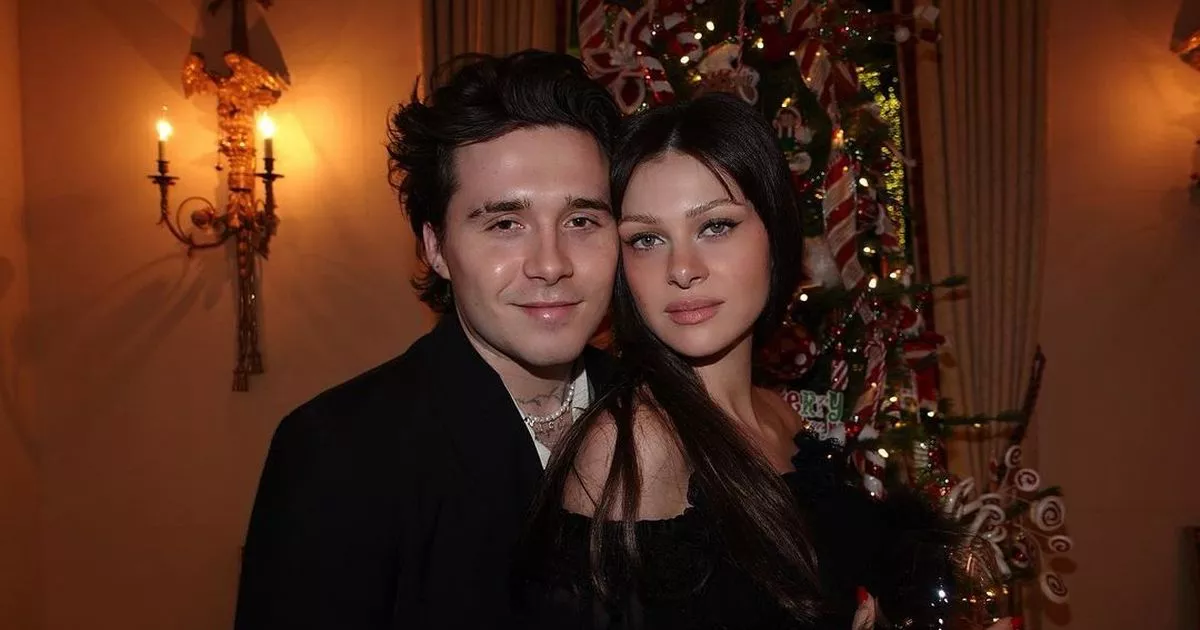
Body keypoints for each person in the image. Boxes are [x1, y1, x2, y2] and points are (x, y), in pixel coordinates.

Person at [518, 93, 990, 629]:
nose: (682, 269)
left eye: (715, 227)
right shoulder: (633, 446)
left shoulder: (779, 415)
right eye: (647, 239)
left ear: (775, 235)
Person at [233, 50, 622, 629]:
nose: (551, 263)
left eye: (582, 221)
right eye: (505, 224)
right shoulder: (340, 451)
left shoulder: (659, 410)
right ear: (436, 247)